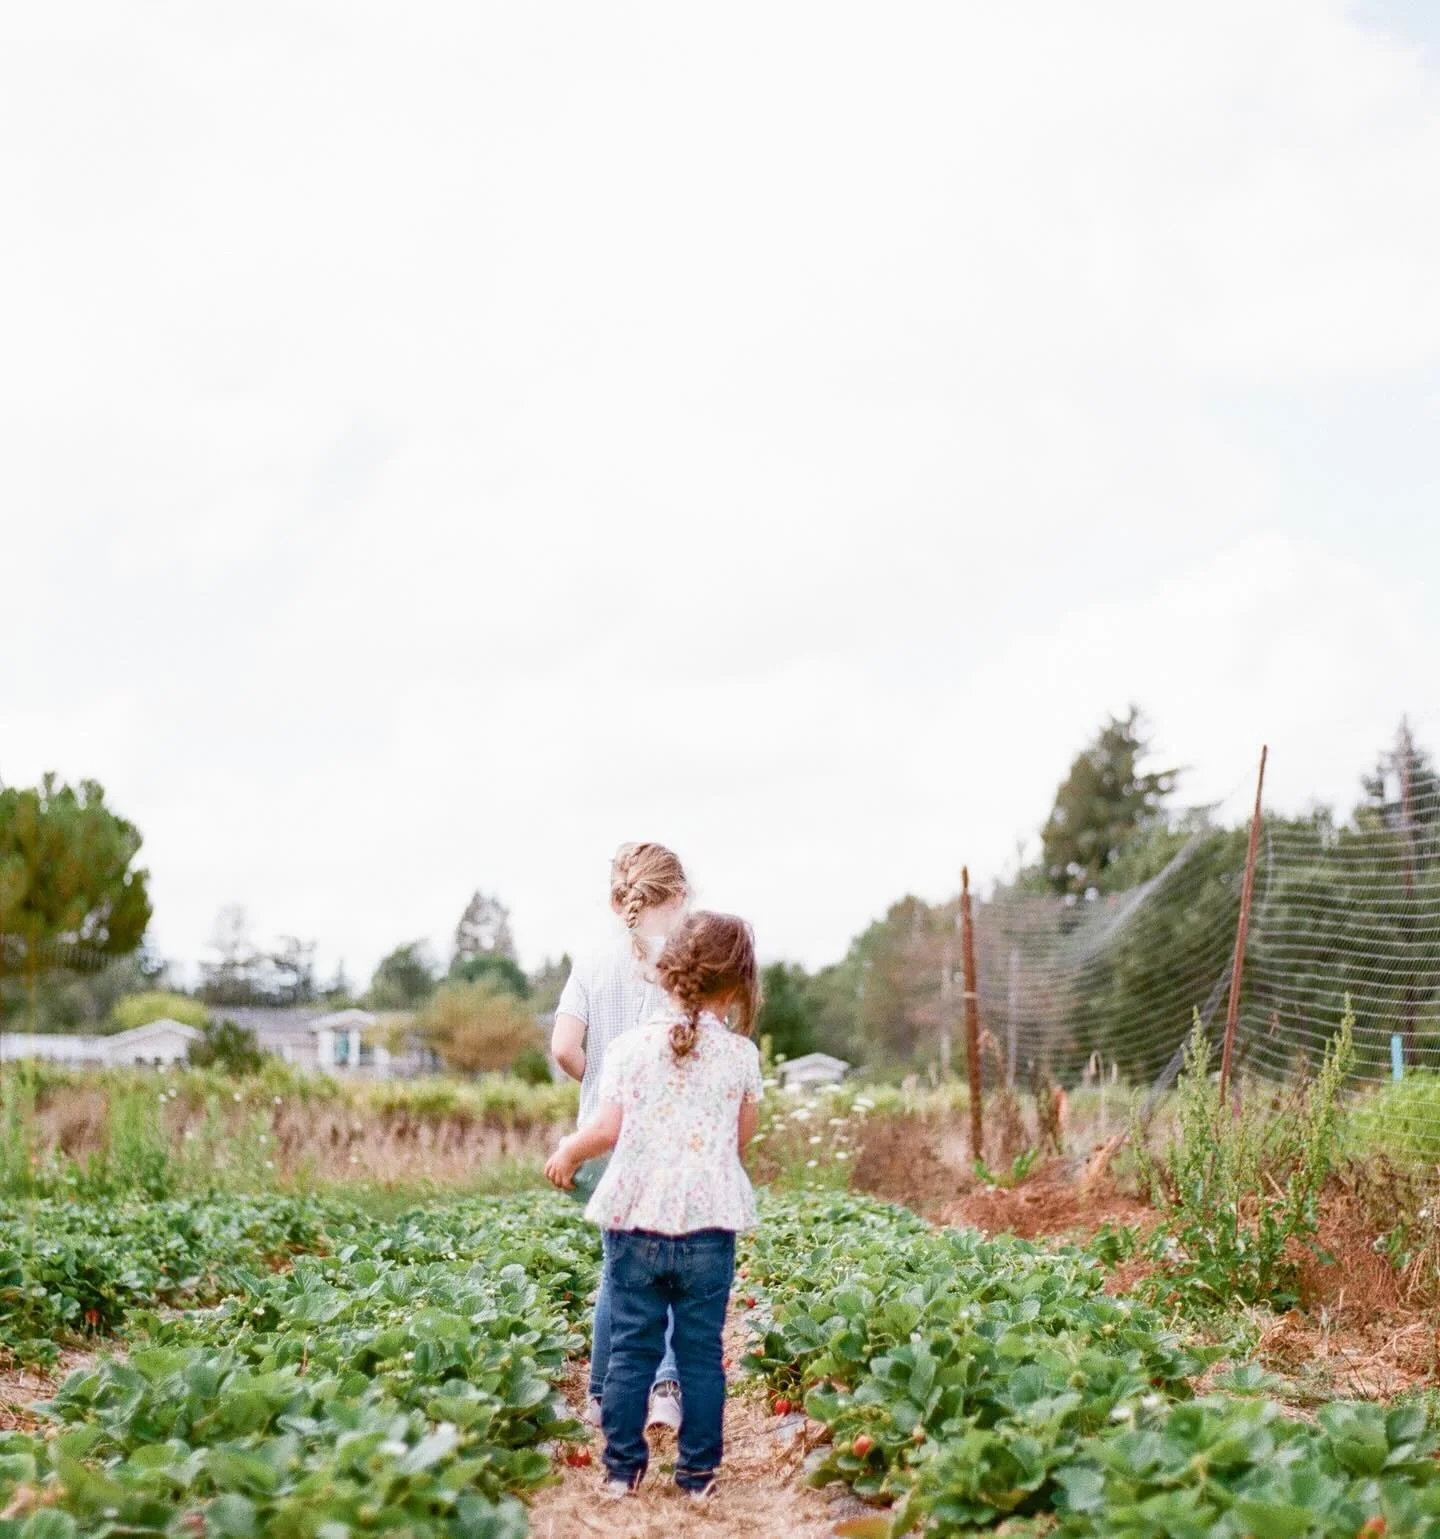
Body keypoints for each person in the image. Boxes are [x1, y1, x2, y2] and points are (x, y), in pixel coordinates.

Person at [545, 911, 764, 1501]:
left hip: (634, 1219)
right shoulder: (741, 1057)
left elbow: (607, 1129)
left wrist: (568, 1150)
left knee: (632, 1349)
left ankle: (622, 1472)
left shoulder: (627, 1049)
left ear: (665, 974)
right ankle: (697, 1476)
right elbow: (739, 1140)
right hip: (708, 1224)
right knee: (699, 1354)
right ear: (737, 987)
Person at [550, 841, 689, 1432]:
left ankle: (603, 1397)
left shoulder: (591, 963)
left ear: (620, 900)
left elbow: (561, 1048)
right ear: (677, 896)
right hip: (669, 1140)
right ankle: (663, 1388)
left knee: (618, 1270)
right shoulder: (688, 967)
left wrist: (602, 1093)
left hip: (599, 1141)